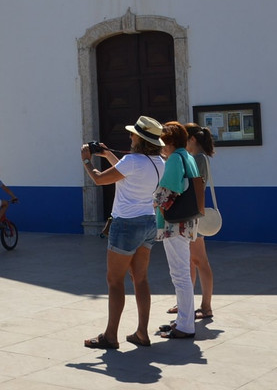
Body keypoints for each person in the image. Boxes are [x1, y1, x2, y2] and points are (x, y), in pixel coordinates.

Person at [81, 115, 166, 350]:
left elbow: (99, 180)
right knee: (140, 278)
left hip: (126, 224)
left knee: (114, 280)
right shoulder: (159, 162)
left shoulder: (131, 161)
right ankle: (142, 333)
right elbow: (129, 172)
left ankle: (110, 336)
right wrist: (108, 154)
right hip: (149, 222)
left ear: (139, 138)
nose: (129, 136)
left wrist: (87, 160)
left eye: (132, 134)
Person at [153, 121, 204, 340]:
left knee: (180, 274)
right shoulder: (187, 156)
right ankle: (184, 319)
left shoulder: (175, 158)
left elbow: (167, 191)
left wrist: (154, 202)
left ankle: (185, 326)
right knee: (182, 274)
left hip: (174, 224)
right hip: (187, 222)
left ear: (170, 140)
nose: (160, 145)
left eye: (163, 140)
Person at [166, 123, 216, 321]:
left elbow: (193, 185)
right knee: (189, 261)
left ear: (192, 139)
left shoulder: (198, 158)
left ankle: (206, 305)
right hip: (192, 214)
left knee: (199, 260)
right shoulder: (193, 158)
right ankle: (186, 303)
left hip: (193, 214)